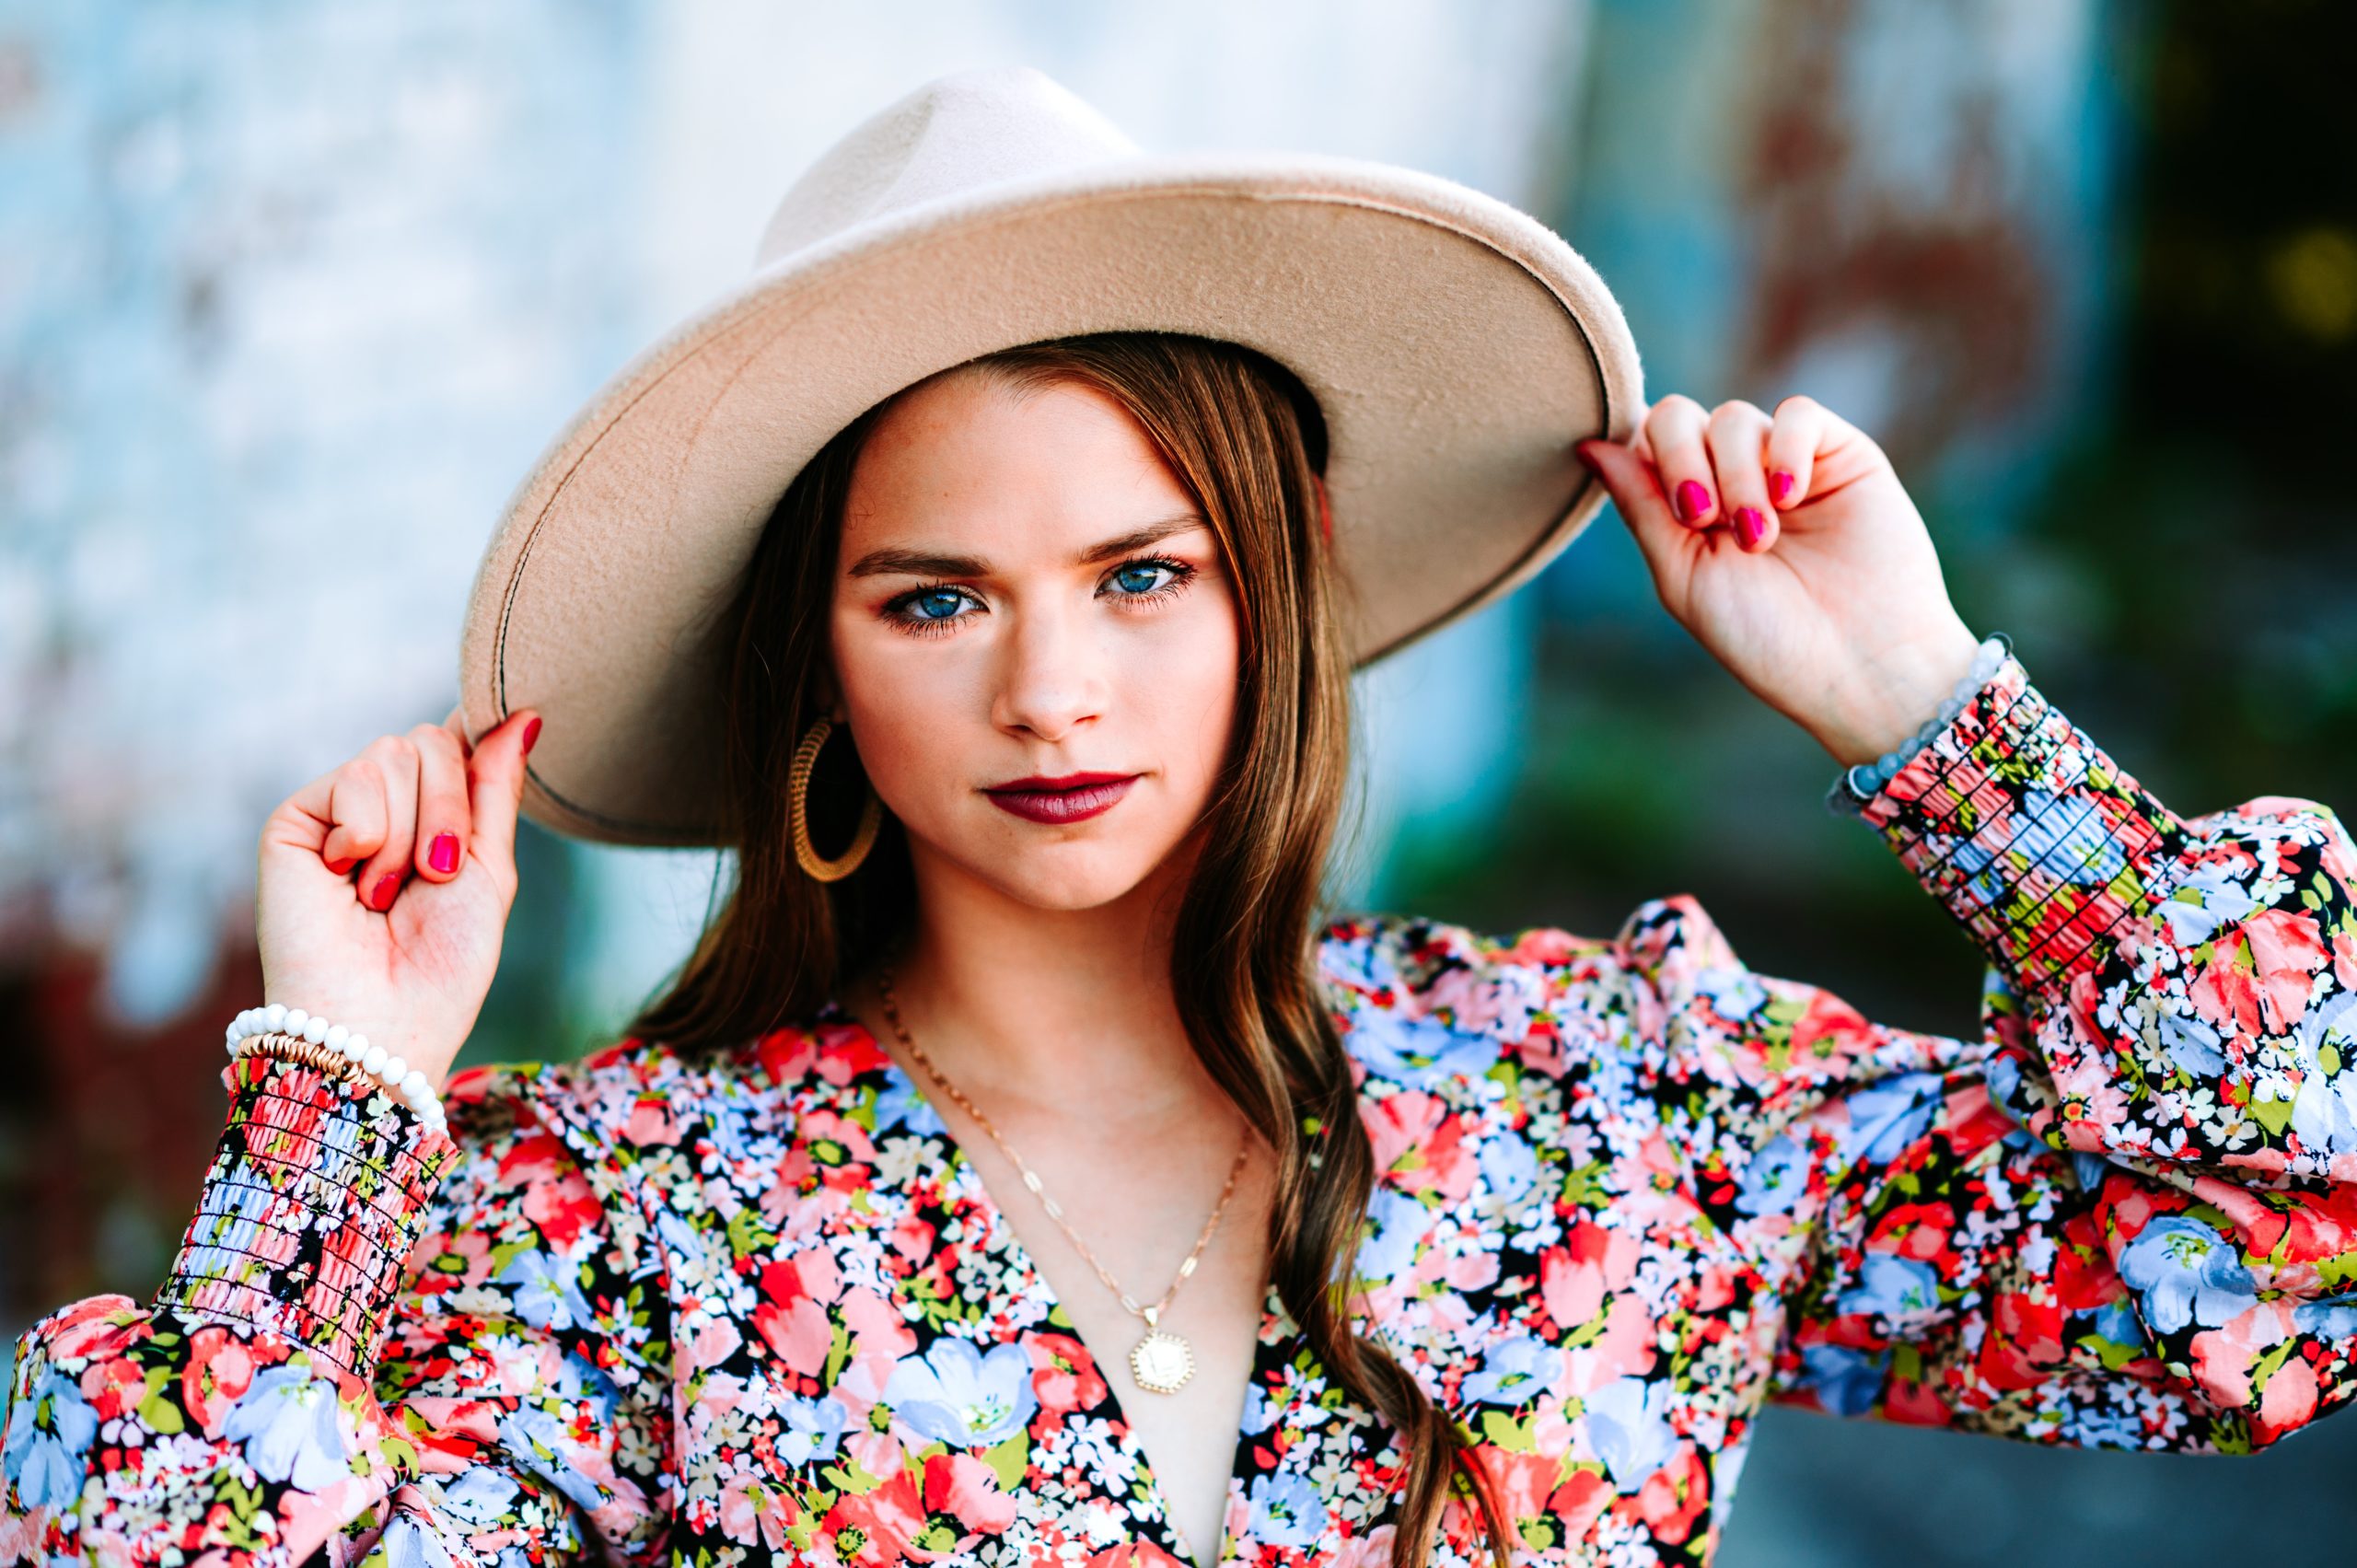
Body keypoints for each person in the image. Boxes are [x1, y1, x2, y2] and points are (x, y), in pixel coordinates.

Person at [7, 67, 2357, 1568]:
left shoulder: (1619, 1098)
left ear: (1283, 585)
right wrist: (344, 1103)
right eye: (932, 601)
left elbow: (2277, 1261)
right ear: (812, 661)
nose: (1053, 690)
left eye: (1144, 575)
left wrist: (1928, 712)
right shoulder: (607, 1216)